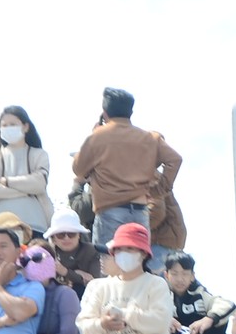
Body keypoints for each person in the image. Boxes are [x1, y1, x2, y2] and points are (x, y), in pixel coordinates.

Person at [71, 88, 183, 252]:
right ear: (130, 112)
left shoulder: (97, 137)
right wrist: (159, 190)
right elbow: (175, 160)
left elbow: (78, 169)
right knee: (137, 265)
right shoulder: (149, 138)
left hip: (109, 211)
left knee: (109, 266)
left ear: (105, 112)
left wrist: (95, 133)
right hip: (140, 210)